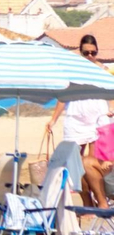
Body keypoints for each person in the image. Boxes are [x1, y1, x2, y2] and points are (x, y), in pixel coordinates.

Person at [47, 34, 114, 211]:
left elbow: (111, 90)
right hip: (75, 119)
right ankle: (87, 202)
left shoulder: (103, 70)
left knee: (91, 162)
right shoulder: (73, 69)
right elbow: (63, 96)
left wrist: (112, 110)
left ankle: (99, 198)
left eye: (93, 52)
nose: (90, 56)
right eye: (86, 53)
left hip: (98, 118)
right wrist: (53, 119)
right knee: (75, 164)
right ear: (81, 52)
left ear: (97, 51)